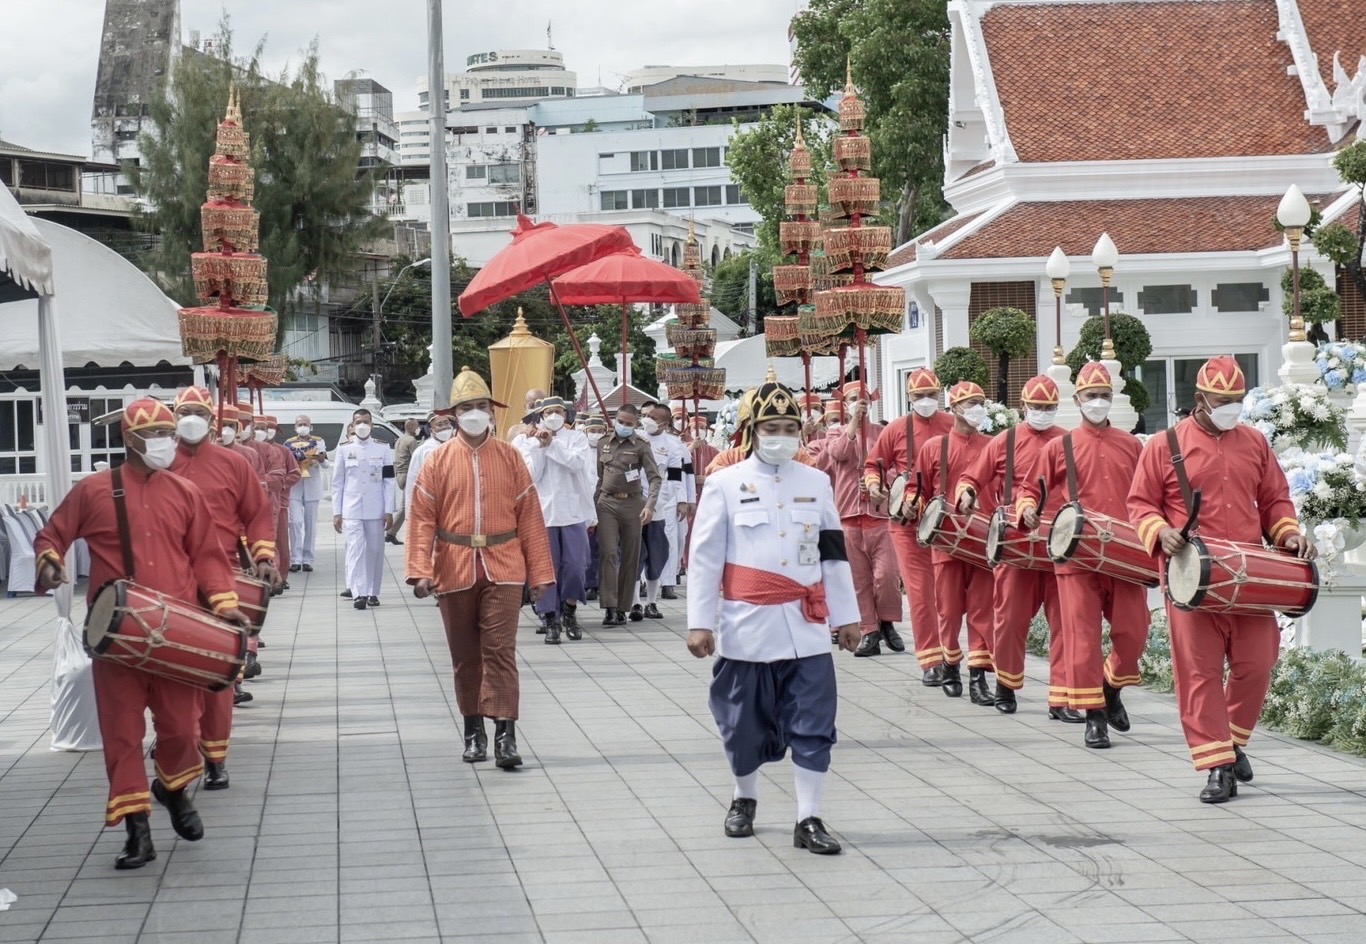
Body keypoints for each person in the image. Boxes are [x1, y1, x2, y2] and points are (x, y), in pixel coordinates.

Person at [34, 399, 249, 869]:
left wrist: (225, 606)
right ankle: (137, 830)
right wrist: (50, 564)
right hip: (116, 635)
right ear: (130, 441)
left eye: (170, 434)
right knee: (122, 735)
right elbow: (53, 535)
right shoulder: (93, 491)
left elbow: (208, 557)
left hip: (178, 631)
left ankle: (171, 788)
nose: (167, 444)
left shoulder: (184, 492)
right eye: (157, 436)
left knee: (181, 730)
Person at [686, 380, 861, 854]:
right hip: (747, 626)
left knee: (814, 722)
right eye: (771, 428)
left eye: (789, 427)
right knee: (742, 724)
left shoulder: (817, 482)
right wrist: (700, 622)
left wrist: (847, 617)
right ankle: (744, 797)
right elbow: (705, 557)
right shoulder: (723, 483)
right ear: (751, 431)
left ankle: (809, 817)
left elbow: (832, 553)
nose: (781, 436)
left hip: (806, 628)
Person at [1128, 356, 1312, 803]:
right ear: (1200, 399)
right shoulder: (1163, 445)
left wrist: (1289, 535)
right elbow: (1139, 504)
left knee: (1258, 663)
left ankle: (1230, 742)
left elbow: (1274, 500)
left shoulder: (1254, 442)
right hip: (1191, 577)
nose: (1231, 407)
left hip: (1250, 576)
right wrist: (1160, 531)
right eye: (1222, 400)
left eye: (1236, 399)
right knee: (1200, 673)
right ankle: (1216, 767)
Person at [406, 367, 555, 769]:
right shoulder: (436, 461)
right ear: (453, 414)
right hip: (453, 567)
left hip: (505, 565)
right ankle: (474, 731)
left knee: (500, 651)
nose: (474, 413)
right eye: (466, 407)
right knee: (464, 655)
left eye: (481, 406)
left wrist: (540, 573)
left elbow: (530, 517)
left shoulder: (510, 457)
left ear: (492, 411)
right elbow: (421, 518)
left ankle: (506, 733)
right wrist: (420, 568)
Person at [1015, 362, 1147, 746]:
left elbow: (1152, 494)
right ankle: (1094, 716)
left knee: (1134, 633)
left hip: (1125, 554)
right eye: (1092, 396)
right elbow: (1031, 488)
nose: (1099, 402)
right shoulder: (1061, 447)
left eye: (1105, 396)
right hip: (1077, 555)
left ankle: (1111, 688)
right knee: (1082, 637)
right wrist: (1027, 507)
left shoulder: (1131, 445)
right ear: (1077, 400)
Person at [170, 387, 278, 790]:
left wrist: (264, 558)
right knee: (172, 669)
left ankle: (215, 757)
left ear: (212, 421)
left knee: (217, 671)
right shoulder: (160, 464)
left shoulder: (234, 465)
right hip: (169, 580)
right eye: (185, 412)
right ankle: (177, 742)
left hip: (223, 577)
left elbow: (258, 515)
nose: (192, 418)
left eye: (199, 411)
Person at [955, 375, 1065, 714]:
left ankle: (1061, 698)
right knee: (1010, 620)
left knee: (1064, 625)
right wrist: (966, 494)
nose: (1042, 412)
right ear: (1024, 406)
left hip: (1060, 543)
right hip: (1015, 543)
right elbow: (971, 477)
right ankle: (1006, 683)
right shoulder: (1005, 440)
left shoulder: (1067, 442)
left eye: (1049, 408)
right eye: (1037, 407)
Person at [865, 368, 955, 682]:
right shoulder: (897, 429)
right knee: (920, 593)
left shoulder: (954, 425)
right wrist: (875, 484)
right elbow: (874, 464)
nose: (926, 401)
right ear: (909, 398)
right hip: (907, 523)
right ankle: (931, 661)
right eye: (919, 396)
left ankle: (951, 655)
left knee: (947, 593)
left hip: (947, 523)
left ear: (941, 394)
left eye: (932, 395)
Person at [916, 381, 995, 701]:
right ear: (955, 408)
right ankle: (950, 664)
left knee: (982, 610)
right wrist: (911, 502)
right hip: (947, 541)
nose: (977, 408)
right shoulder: (934, 447)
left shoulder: (993, 445)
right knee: (948, 610)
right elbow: (917, 488)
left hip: (982, 540)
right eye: (970, 403)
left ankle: (978, 677)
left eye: (981, 402)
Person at [817, 380, 903, 657]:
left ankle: (887, 619)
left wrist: (880, 483)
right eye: (853, 398)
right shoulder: (835, 432)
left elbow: (894, 468)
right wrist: (853, 423)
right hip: (848, 514)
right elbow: (838, 454)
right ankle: (870, 630)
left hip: (878, 514)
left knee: (887, 575)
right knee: (859, 578)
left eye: (863, 398)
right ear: (845, 405)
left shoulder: (883, 433)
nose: (859, 402)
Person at [517, 396, 594, 643]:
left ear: (566, 414)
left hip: (572, 512)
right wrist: (541, 447)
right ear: (541, 416)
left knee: (575, 565)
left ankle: (569, 609)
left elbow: (575, 464)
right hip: (543, 514)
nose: (553, 416)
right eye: (548, 412)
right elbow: (531, 474)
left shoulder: (577, 439)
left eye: (558, 411)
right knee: (545, 569)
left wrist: (553, 445)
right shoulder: (529, 443)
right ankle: (550, 618)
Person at [594, 404, 662, 626]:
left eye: (629, 423)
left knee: (631, 556)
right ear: (615, 419)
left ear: (635, 424)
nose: (624, 426)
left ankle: (623, 607)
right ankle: (610, 607)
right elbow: (600, 476)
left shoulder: (641, 446)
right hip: (607, 503)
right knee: (609, 553)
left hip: (633, 504)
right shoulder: (603, 443)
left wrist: (650, 505)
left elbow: (655, 478)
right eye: (621, 421)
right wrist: (594, 506)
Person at [333, 407, 395, 610]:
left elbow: (388, 481)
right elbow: (338, 482)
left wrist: (389, 510)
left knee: (375, 550)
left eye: (366, 421)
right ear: (352, 424)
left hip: (376, 508)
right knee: (356, 549)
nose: (362, 425)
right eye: (358, 422)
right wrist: (337, 512)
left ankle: (372, 591)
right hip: (351, 509)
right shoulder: (344, 448)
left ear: (372, 424)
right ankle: (359, 593)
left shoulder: (383, 448)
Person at [639, 401, 695, 613]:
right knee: (639, 549)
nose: (647, 420)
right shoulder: (635, 438)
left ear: (664, 422)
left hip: (664, 500)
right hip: (636, 500)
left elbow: (680, 475)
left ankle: (668, 582)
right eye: (645, 415)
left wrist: (684, 499)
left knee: (666, 543)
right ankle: (641, 589)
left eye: (652, 417)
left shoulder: (674, 444)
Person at [285, 415, 329, 573]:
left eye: (305, 424)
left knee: (310, 524)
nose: (302, 426)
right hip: (295, 485)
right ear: (295, 427)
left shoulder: (318, 441)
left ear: (311, 426)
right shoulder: (288, 443)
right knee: (295, 522)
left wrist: (322, 459)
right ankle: (295, 558)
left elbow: (325, 464)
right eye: (299, 424)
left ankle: (308, 559)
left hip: (312, 484)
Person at [262, 416, 301, 582]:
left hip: (280, 503)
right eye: (265, 428)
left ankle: (282, 576)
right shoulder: (252, 450)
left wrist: (280, 485)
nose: (268, 431)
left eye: (272, 428)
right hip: (257, 504)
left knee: (281, 542)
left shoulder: (284, 451)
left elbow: (295, 473)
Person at [579, 413, 607, 602]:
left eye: (599, 431)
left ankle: (603, 584)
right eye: (592, 431)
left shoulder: (608, 450)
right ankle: (589, 584)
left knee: (605, 545)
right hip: (582, 503)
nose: (595, 435)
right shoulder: (579, 450)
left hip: (605, 503)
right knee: (587, 546)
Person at [405, 411, 453, 520]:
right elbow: (413, 482)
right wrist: (410, 514)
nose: (444, 427)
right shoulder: (424, 451)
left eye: (446, 423)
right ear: (431, 430)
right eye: (439, 425)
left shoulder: (457, 446)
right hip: (431, 507)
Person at [388, 418, 420, 545]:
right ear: (412, 427)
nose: (419, 429)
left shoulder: (400, 439)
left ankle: (391, 533)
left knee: (407, 505)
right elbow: (416, 457)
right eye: (417, 426)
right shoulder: (411, 441)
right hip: (408, 475)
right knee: (405, 506)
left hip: (400, 474)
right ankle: (391, 532)